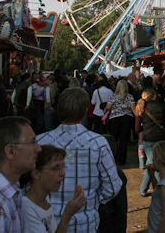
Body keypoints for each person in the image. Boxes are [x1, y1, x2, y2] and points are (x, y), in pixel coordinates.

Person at [37, 87, 122, 232]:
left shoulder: (40, 141)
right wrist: (91, 200)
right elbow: (112, 186)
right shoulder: (98, 143)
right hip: (84, 222)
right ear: (84, 111)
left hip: (46, 221)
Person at [20, 145, 86, 232]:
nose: (62, 173)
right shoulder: (27, 207)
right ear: (36, 173)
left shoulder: (44, 199)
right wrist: (67, 216)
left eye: (62, 167)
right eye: (56, 168)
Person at [138, 88, 165, 197]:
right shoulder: (161, 107)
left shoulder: (142, 108)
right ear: (154, 96)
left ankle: (144, 189)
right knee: (155, 164)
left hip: (148, 138)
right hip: (159, 137)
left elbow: (137, 127)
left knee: (152, 164)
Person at [98, 134, 128, 233]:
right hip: (108, 218)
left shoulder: (92, 170)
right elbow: (121, 208)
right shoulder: (117, 173)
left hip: (106, 219)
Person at [104, 79, 136, 165]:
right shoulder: (130, 97)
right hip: (127, 119)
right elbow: (133, 109)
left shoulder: (113, 96)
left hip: (115, 119)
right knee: (123, 140)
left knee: (114, 139)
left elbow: (108, 107)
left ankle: (114, 156)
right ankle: (122, 159)